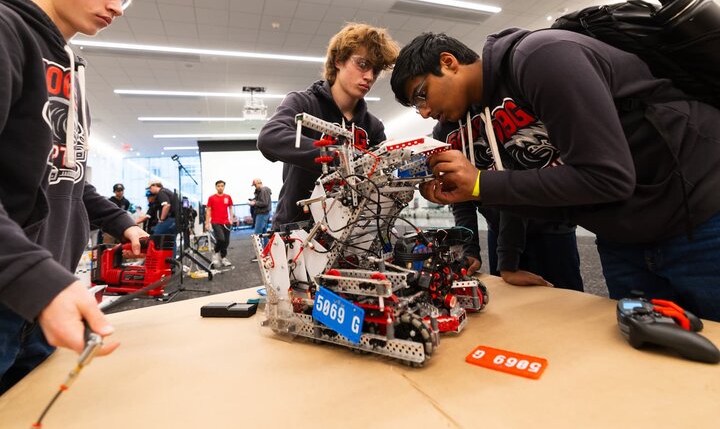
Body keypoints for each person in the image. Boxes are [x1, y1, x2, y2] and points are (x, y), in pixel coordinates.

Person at [390, 30, 720, 320]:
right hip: (621, 238)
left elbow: (608, 177)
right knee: (649, 356)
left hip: (696, 220)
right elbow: (525, 188)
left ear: (448, 62)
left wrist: (479, 183)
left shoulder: (541, 58)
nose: (424, 111)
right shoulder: (477, 117)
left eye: (421, 94)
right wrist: (506, 258)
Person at [0, 0, 146, 393]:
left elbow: (64, 175)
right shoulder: (6, 31)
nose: (117, 8)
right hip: (14, 287)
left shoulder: (71, 68)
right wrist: (32, 276)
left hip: (47, 290)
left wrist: (118, 220)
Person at [258, 23, 399, 229]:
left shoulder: (373, 126)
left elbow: (378, 181)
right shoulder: (303, 103)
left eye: (375, 71)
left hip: (351, 232)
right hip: (297, 230)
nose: (369, 76)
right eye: (362, 64)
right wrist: (337, 156)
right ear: (339, 60)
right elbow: (269, 138)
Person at [433, 119, 584, 291]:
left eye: (422, 94)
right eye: (416, 105)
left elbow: (513, 183)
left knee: (564, 300)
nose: (425, 112)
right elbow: (460, 198)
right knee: (508, 301)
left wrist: (507, 260)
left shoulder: (491, 110)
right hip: (499, 231)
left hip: (549, 226)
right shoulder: (442, 133)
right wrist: (470, 249)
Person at [205, 180, 235, 268]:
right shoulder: (211, 198)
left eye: (222, 186)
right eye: (218, 186)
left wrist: (231, 219)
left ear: (224, 187)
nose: (220, 187)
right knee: (221, 239)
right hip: (215, 222)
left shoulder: (228, 197)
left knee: (226, 241)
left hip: (226, 222)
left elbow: (230, 208)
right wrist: (207, 223)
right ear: (216, 187)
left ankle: (223, 258)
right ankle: (216, 252)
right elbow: (208, 211)